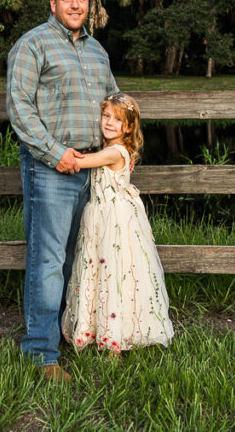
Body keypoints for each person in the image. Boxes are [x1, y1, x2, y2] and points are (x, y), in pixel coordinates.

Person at [6, 0, 119, 383]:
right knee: (49, 260)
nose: (75, 5)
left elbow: (114, 105)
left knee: (80, 258)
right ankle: (41, 352)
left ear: (90, 4)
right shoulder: (32, 44)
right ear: (51, 4)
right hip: (50, 168)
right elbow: (19, 108)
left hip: (92, 169)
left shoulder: (98, 52)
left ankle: (73, 333)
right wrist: (57, 154)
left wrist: (119, 150)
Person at [61, 93, 174, 358]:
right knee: (98, 270)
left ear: (129, 127)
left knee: (115, 274)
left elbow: (80, 163)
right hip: (101, 218)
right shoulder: (109, 148)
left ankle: (116, 341)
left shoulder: (115, 152)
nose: (109, 122)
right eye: (106, 116)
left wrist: (59, 152)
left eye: (117, 119)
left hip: (113, 221)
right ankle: (98, 331)